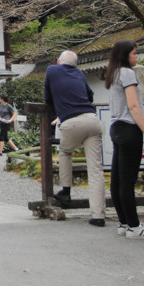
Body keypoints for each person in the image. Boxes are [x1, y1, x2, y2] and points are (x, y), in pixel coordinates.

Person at [44, 50, 106, 227]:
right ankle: (98, 215)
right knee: (95, 170)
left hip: (71, 122)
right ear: (76, 64)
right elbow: (90, 95)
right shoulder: (79, 73)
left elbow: (47, 97)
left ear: (58, 62)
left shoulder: (51, 71)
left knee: (65, 152)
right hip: (92, 120)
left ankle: (66, 190)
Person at [105, 41, 144, 239]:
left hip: (116, 127)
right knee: (127, 181)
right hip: (129, 128)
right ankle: (134, 227)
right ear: (125, 55)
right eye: (134, 54)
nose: (136, 57)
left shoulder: (114, 72)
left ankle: (124, 222)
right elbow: (134, 106)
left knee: (118, 179)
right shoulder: (127, 73)